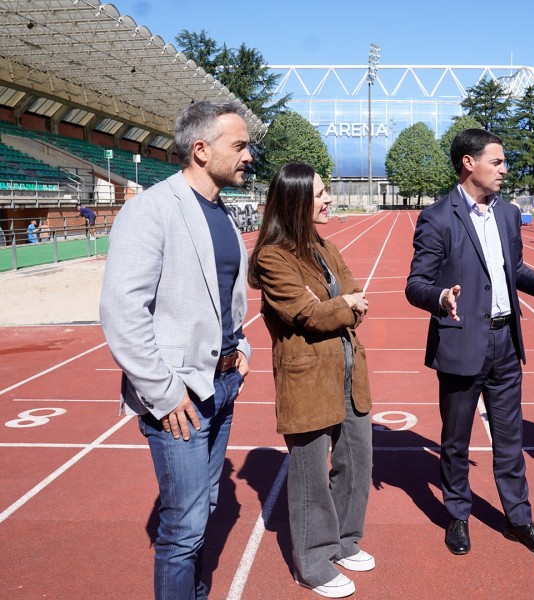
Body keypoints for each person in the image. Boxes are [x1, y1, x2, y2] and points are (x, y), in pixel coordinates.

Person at [406, 128, 534, 557]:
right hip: (461, 342)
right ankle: (458, 515)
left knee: (510, 439)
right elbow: (415, 284)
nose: (505, 169)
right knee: (455, 441)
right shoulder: (437, 217)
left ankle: (519, 519)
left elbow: (515, 269)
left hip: (506, 341)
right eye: (497, 161)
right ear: (469, 163)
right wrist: (440, 297)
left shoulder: (508, 214)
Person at [99, 101, 253, 599]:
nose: (249, 155)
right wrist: (164, 394)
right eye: (240, 146)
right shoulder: (152, 209)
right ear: (202, 150)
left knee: (203, 512)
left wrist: (242, 346)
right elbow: (123, 313)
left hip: (223, 384)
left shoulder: (224, 216)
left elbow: (226, 298)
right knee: (183, 528)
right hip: (179, 397)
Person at [248, 163, 373, 599]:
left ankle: (344, 541)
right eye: (320, 193)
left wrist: (343, 302)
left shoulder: (323, 245)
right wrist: (346, 304)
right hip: (307, 378)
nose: (329, 198)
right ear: (297, 200)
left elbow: (354, 292)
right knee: (310, 478)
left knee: (356, 461)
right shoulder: (272, 257)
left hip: (347, 368)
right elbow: (311, 315)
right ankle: (313, 563)